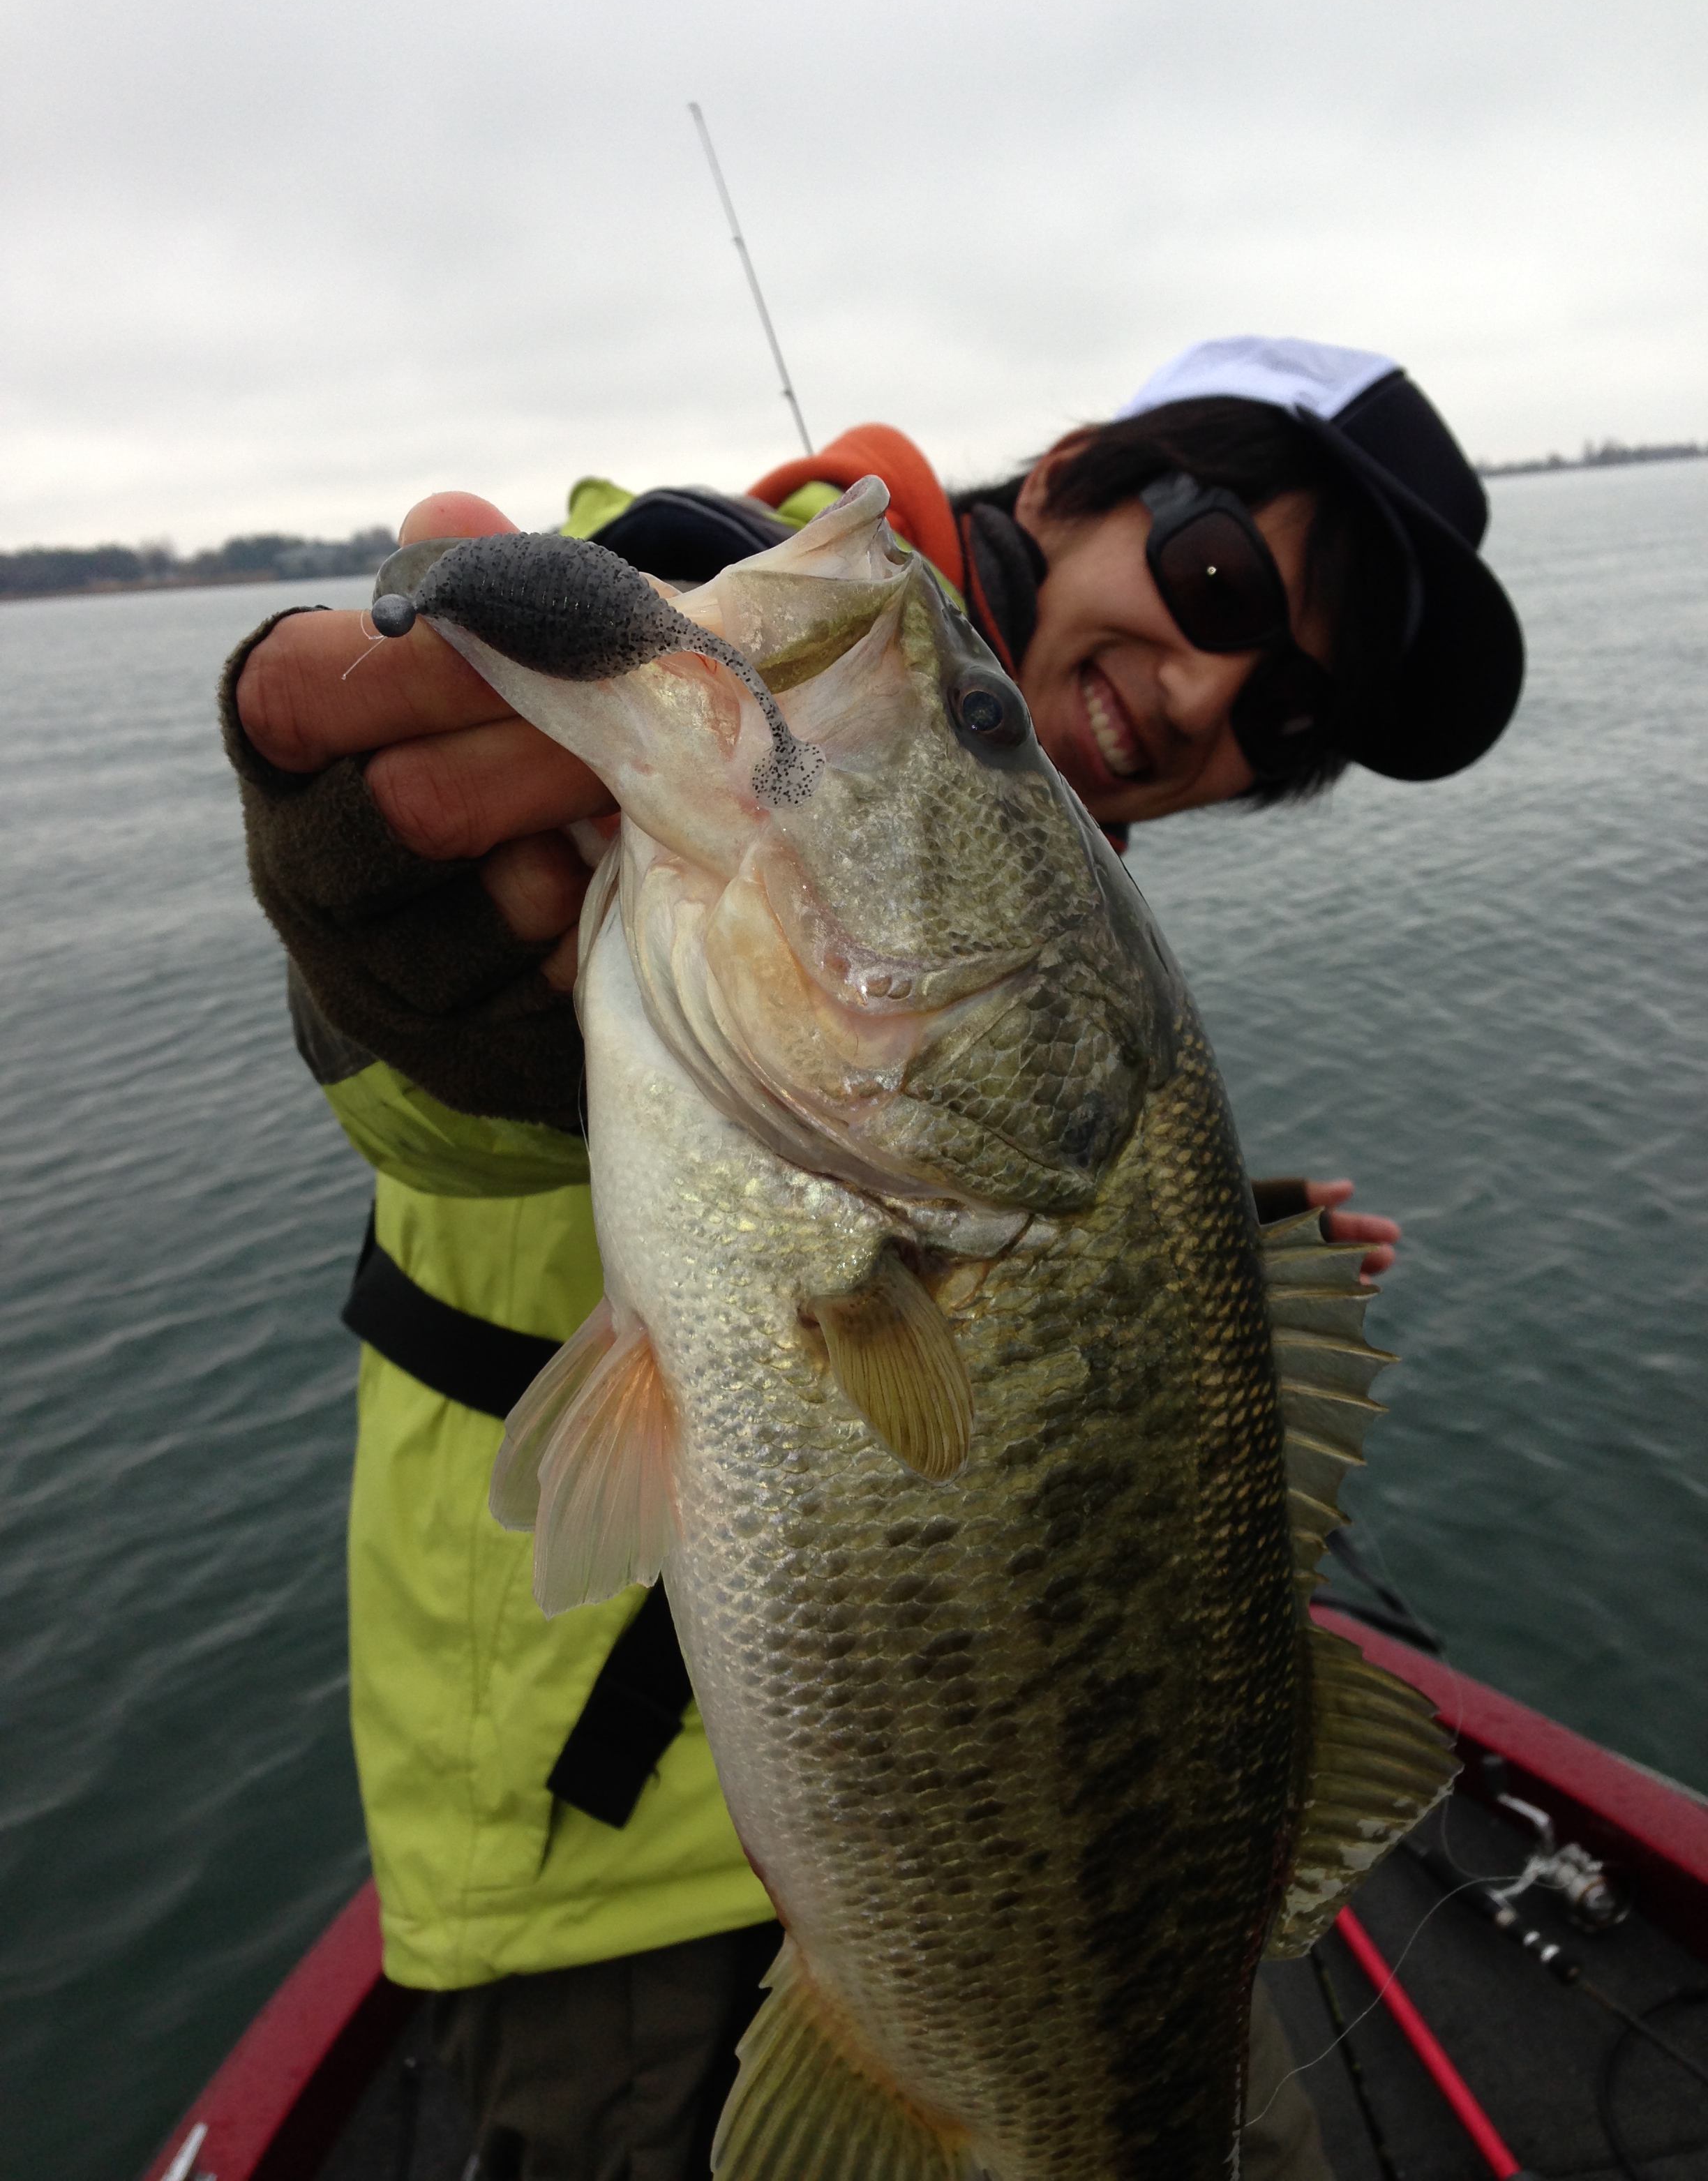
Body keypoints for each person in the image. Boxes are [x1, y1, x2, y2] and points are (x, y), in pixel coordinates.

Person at [220, 336, 1522, 2181]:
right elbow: (422, 1109)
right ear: (1075, 472)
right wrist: (396, 964)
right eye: (1224, 577)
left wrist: (1226, 1254)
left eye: (1293, 711)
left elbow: (959, 1190)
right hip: (601, 1855)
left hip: (1071, 1885)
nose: (1209, 687)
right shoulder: (706, 616)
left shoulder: (1038, 941)